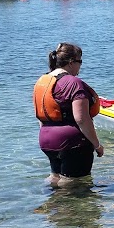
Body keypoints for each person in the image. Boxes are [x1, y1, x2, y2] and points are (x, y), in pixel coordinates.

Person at [34, 42, 104, 187]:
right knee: (74, 185)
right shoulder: (74, 83)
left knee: (55, 177)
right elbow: (81, 119)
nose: (80, 67)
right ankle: (69, 208)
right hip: (72, 143)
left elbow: (41, 118)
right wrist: (97, 145)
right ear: (71, 62)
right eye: (80, 62)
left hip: (46, 141)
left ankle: (52, 204)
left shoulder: (42, 81)